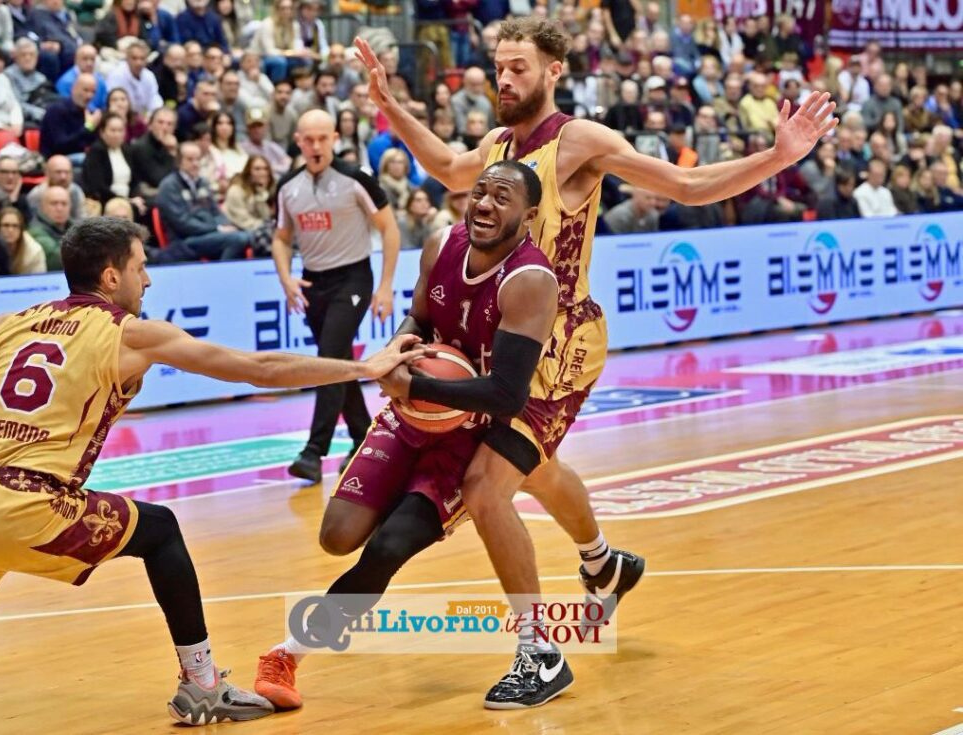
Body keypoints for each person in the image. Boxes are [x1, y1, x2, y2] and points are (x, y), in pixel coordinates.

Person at [354, 16, 836, 707]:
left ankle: (540, 655)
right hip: (505, 337)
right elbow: (450, 169)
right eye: (499, 67)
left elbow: (686, 185)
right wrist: (391, 106)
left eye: (519, 67)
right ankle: (603, 564)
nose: (504, 79)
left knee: (487, 486)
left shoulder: (579, 141)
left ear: (554, 71)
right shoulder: (499, 145)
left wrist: (776, 157)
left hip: (559, 350)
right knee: (537, 470)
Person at [0, 216, 423, 722]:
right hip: (23, 502)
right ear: (111, 277)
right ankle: (201, 684)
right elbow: (259, 369)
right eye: (140, 267)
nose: (147, 279)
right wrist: (362, 368)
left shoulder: (9, 323)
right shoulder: (130, 334)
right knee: (162, 531)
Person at [254, 164, 561, 710]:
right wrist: (395, 354)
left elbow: (507, 395)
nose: (485, 204)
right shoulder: (441, 244)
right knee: (337, 537)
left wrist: (415, 384)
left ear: (530, 215)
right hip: (412, 413)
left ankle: (286, 654)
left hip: (472, 428)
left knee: (387, 549)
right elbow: (417, 319)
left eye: (502, 197)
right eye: (480, 192)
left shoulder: (530, 280)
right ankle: (406, 505)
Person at [272, 110, 399, 484]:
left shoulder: (356, 179)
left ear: (334, 139)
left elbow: (389, 228)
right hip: (314, 282)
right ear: (298, 141)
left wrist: (386, 285)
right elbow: (281, 238)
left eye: (322, 138)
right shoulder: (288, 186)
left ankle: (314, 451)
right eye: (308, 139)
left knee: (328, 359)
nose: (316, 146)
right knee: (339, 361)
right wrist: (286, 278)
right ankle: (363, 437)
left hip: (353, 278)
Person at [155, 140, 251, 261]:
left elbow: (216, 212)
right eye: (190, 159)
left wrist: (225, 225)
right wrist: (216, 229)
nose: (195, 163)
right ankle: (223, 270)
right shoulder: (169, 186)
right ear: (179, 162)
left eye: (198, 159)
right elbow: (182, 223)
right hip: (184, 240)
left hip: (209, 234)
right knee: (239, 239)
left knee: (248, 236)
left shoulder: (203, 182)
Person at [81, 113, 146, 215]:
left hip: (128, 199)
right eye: (113, 130)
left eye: (120, 130)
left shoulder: (127, 150)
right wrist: (127, 200)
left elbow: (135, 181)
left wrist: (136, 197)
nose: (117, 134)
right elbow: (98, 187)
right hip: (106, 200)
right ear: (102, 132)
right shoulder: (96, 152)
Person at [39, 73, 100, 162]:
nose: (89, 96)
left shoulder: (89, 114)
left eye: (93, 92)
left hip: (80, 156)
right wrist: (88, 128)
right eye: (85, 90)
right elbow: (60, 146)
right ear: (73, 89)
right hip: (55, 159)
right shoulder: (56, 111)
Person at [105, 40, 164, 120]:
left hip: (141, 118)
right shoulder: (116, 75)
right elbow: (112, 103)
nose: (138, 63)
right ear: (127, 58)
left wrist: (152, 116)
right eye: (134, 58)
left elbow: (154, 99)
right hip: (120, 117)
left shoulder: (149, 76)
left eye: (142, 59)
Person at [131, 106, 179, 198]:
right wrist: (171, 154)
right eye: (160, 122)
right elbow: (159, 180)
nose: (164, 127)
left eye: (169, 124)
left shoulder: (173, 145)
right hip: (147, 196)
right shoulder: (141, 147)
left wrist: (174, 151)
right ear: (150, 125)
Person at [27, 154, 86, 222]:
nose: (63, 177)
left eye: (67, 172)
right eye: (58, 172)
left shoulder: (75, 191)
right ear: (47, 173)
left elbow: (81, 220)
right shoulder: (36, 195)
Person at [28, 185, 74, 269]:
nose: (59, 208)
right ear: (42, 206)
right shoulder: (35, 230)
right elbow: (56, 259)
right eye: (54, 203)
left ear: (70, 206)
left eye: (64, 204)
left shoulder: (75, 226)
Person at [0, 205, 46, 274]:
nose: (10, 230)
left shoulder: (34, 252)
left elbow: (39, 279)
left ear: (21, 230)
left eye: (15, 226)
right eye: (6, 225)